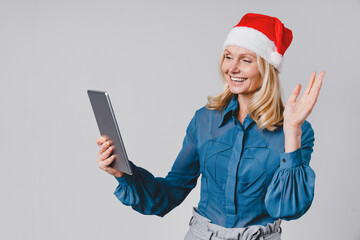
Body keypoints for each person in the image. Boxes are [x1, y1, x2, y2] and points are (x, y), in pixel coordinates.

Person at [95, 13, 325, 240]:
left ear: (266, 68)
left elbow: (288, 208)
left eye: (245, 60)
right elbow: (170, 193)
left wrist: (292, 130)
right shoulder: (204, 121)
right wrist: (124, 173)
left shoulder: (297, 132)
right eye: (228, 57)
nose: (232, 68)